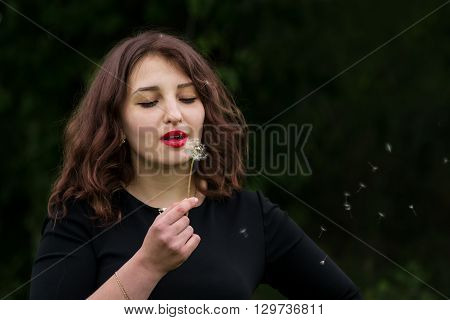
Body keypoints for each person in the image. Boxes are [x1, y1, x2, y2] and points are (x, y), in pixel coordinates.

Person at [29, 30, 362, 300]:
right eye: (149, 102)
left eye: (187, 98)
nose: (174, 113)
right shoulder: (78, 216)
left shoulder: (250, 214)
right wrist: (147, 266)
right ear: (116, 125)